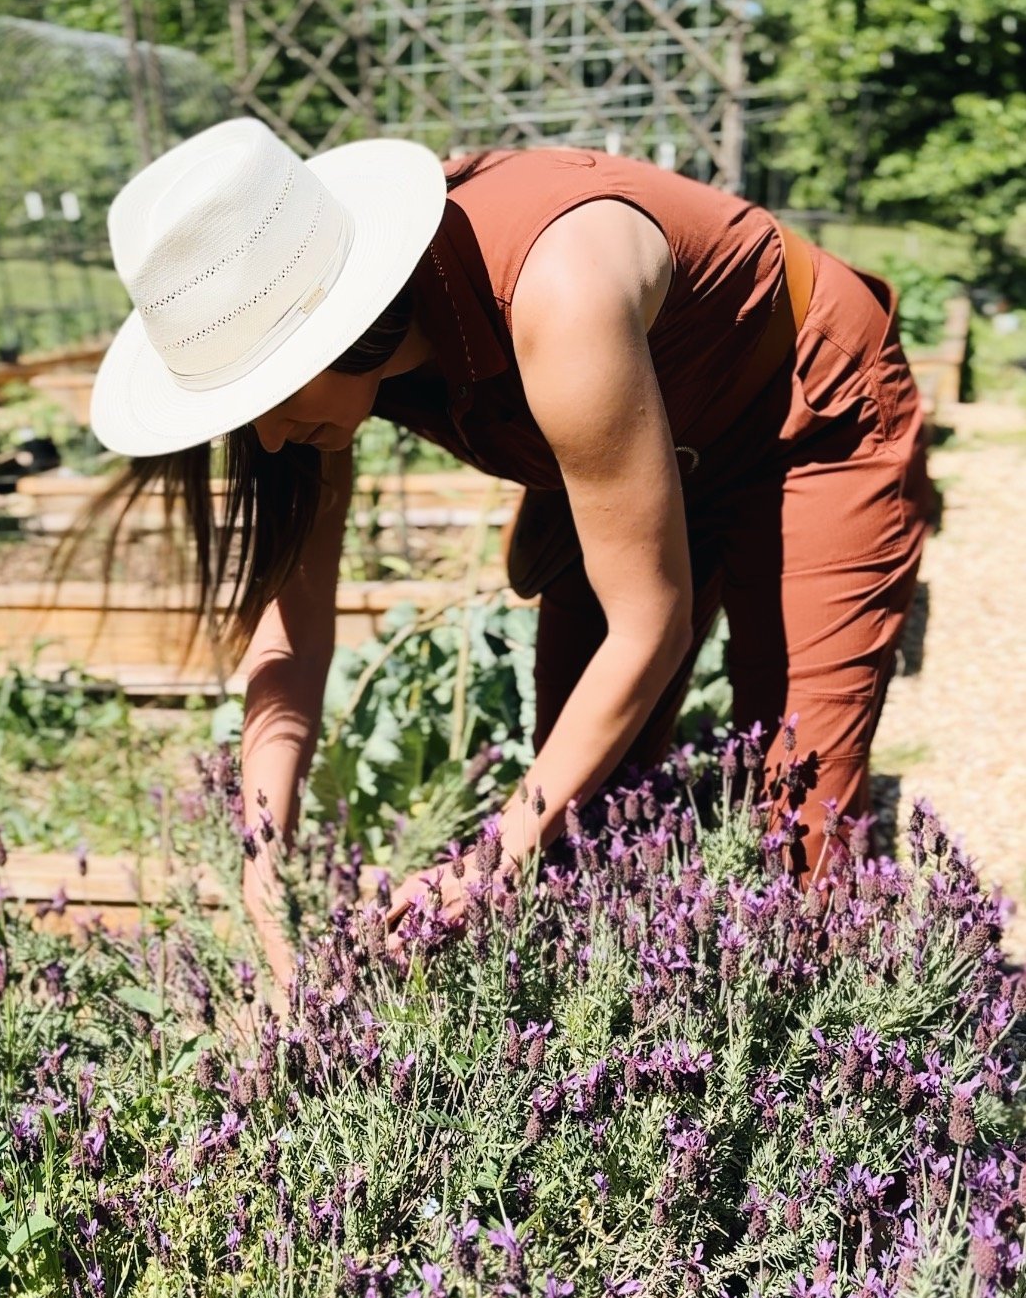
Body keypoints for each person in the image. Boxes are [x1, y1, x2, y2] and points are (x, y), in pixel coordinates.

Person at [81, 115, 931, 990]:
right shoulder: (315, 392)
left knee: (797, 800)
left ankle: (841, 1054)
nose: (262, 437)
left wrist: (491, 850)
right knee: (586, 807)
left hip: (802, 420)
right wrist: (265, 857)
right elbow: (291, 639)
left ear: (337, 325)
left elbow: (650, 624)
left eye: (268, 388)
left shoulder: (558, 289)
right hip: (639, 444)